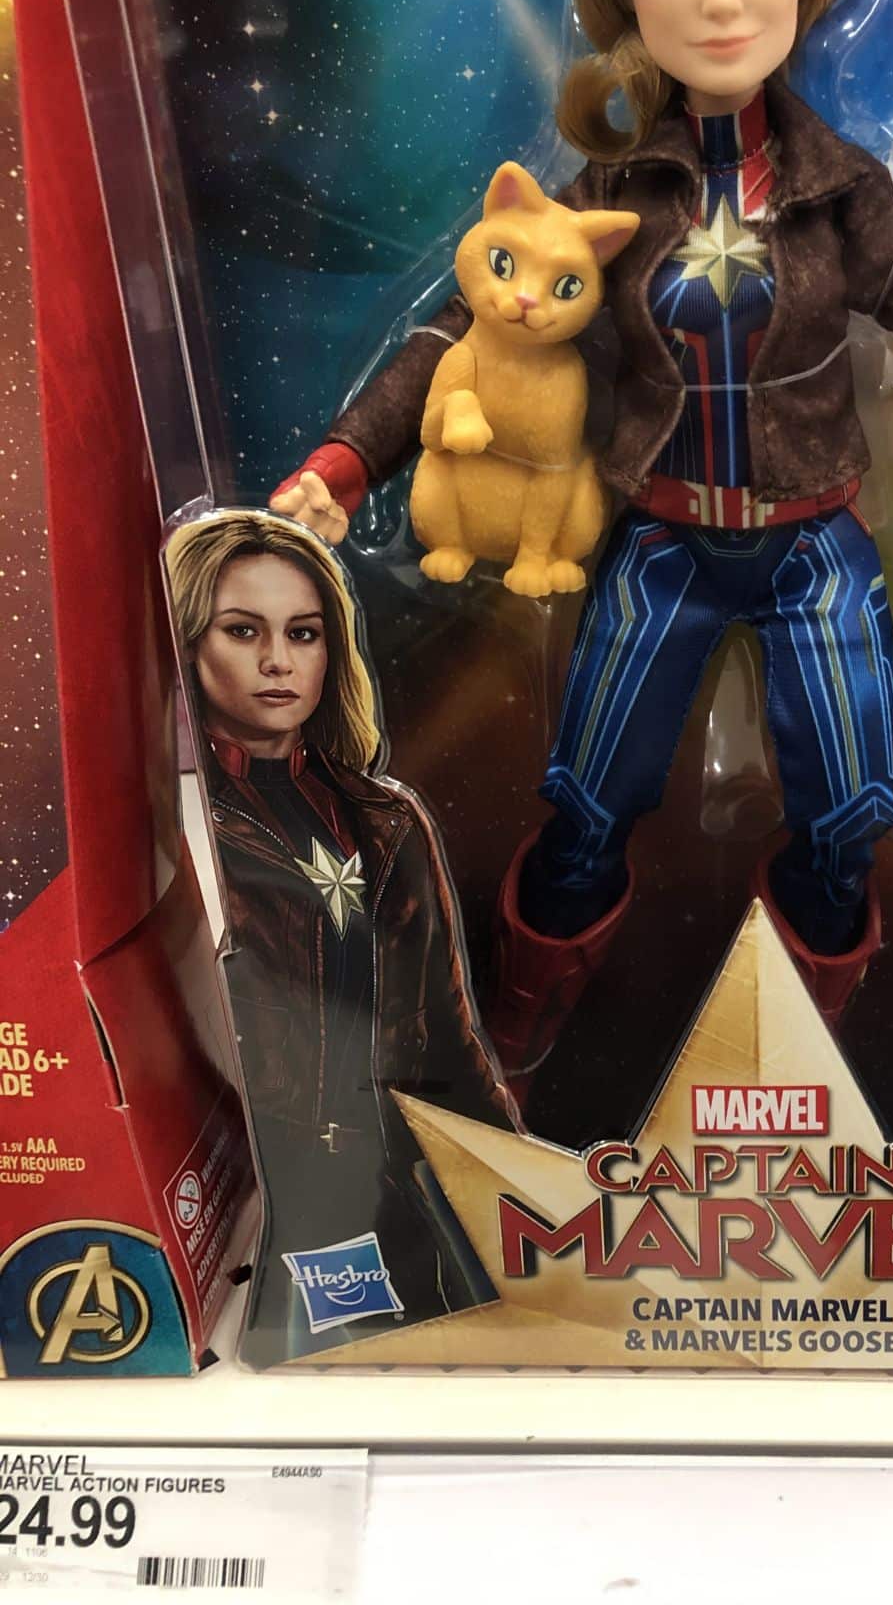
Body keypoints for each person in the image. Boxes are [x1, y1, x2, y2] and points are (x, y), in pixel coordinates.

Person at [271, 0, 893, 1095]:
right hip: (660, 548)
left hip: (816, 551)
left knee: (847, 820)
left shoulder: (848, 198)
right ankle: (519, 1032)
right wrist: (347, 459)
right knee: (588, 808)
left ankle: (803, 1050)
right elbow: (464, 329)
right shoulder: (609, 195)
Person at [167, 508, 519, 1362]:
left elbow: (447, 1034)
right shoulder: (173, 820)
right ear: (186, 642)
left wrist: (515, 1183)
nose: (278, 660)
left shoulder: (385, 818)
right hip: (251, 1202)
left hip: (393, 1187)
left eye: (304, 632)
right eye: (242, 630)